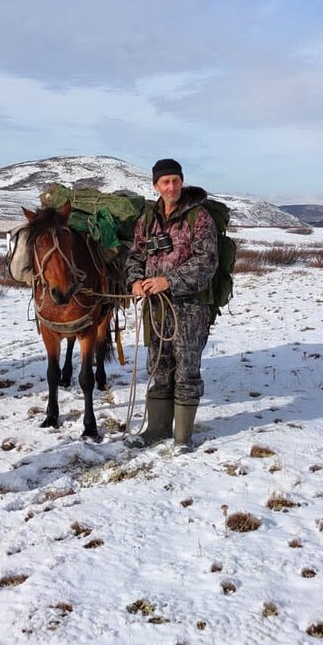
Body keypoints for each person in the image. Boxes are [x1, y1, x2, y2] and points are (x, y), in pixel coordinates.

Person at [126, 158, 218, 452]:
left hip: (190, 308)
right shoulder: (147, 220)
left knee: (186, 369)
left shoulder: (199, 217)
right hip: (156, 308)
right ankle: (156, 430)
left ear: (182, 182)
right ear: (156, 186)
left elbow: (207, 262)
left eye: (176, 180)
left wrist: (169, 281)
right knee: (158, 366)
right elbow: (134, 257)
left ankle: (182, 438)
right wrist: (135, 281)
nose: (171, 186)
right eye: (165, 182)